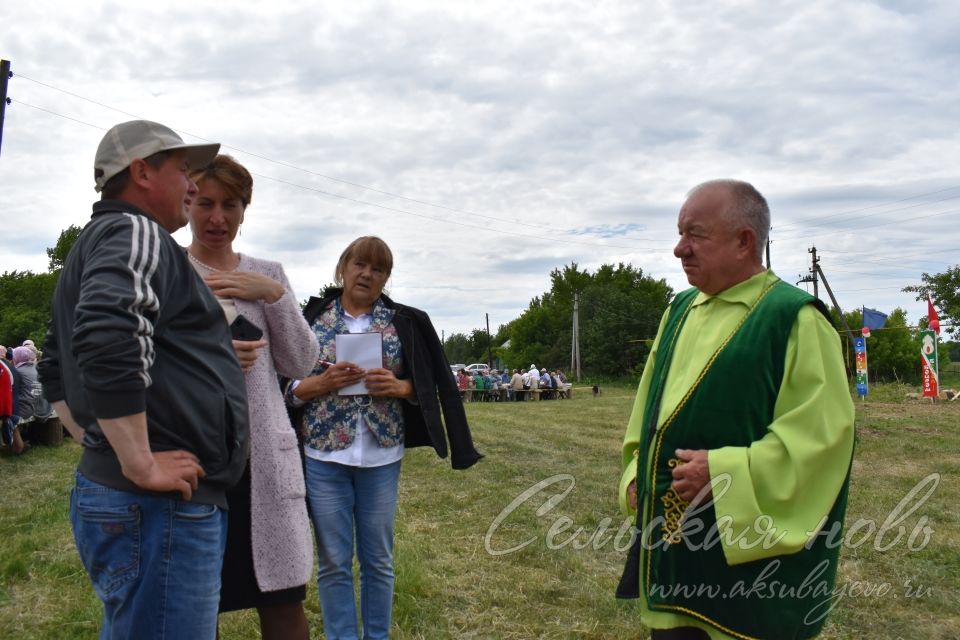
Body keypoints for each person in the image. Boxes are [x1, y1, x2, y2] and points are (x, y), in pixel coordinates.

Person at [616, 180, 855, 639]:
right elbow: (646, 412)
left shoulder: (795, 318)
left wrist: (725, 472)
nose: (678, 248)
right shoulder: (679, 311)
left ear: (745, 241)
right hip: (674, 551)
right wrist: (635, 476)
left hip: (750, 575)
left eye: (695, 234)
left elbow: (821, 443)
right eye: (680, 232)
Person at [38, 120, 249, 639]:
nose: (194, 186)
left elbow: (53, 366)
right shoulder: (135, 231)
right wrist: (136, 460)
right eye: (183, 170)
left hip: (144, 506)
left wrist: (101, 443)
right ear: (140, 172)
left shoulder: (97, 243)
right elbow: (110, 331)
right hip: (159, 509)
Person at [285, 236, 482, 640]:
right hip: (323, 456)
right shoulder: (309, 317)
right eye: (360, 264)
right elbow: (285, 385)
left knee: (378, 560)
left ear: (386, 278)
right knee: (334, 562)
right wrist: (320, 383)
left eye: (378, 269)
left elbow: (429, 384)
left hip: (381, 456)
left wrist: (400, 388)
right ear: (343, 268)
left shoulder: (404, 322)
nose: (367, 274)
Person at [186, 155, 319, 639]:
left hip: (263, 462)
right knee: (195, 607)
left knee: (283, 604)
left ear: (245, 209)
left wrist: (274, 296)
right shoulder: (170, 270)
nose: (217, 217)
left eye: (231, 205)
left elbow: (301, 362)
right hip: (198, 461)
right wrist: (212, 354)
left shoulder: (269, 274)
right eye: (206, 203)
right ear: (188, 203)